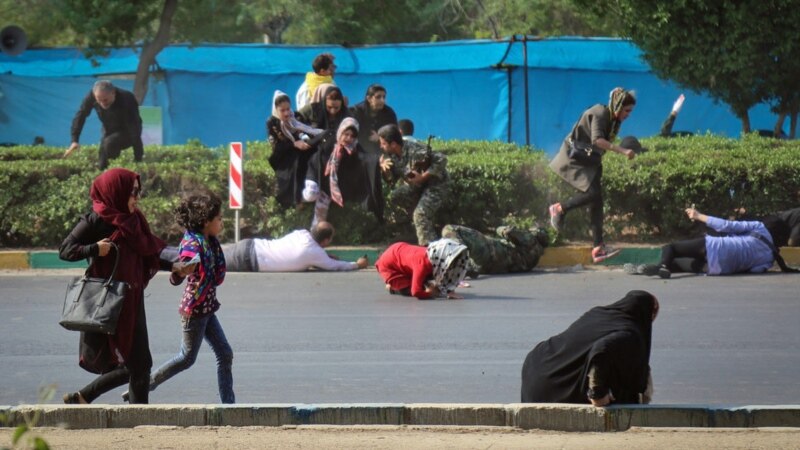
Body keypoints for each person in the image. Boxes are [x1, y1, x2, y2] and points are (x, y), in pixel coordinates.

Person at [58, 168, 189, 404]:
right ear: (116, 192)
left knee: (139, 364)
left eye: (138, 192)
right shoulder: (96, 220)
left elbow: (144, 255)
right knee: (138, 365)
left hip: (131, 299)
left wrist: (173, 266)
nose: (137, 198)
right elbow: (66, 250)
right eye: (133, 193)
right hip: (107, 301)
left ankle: (87, 398)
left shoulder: (134, 220)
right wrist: (95, 249)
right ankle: (134, 416)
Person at [124, 192, 235, 403]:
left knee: (225, 354)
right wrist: (180, 272)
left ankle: (229, 405)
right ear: (205, 222)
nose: (222, 222)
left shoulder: (209, 241)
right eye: (219, 218)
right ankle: (142, 387)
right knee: (186, 358)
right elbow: (179, 272)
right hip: (194, 312)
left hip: (207, 308)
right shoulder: (193, 244)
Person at [521, 290, 658, 406]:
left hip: (538, 370)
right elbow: (601, 349)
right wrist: (597, 394)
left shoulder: (597, 313)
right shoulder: (629, 333)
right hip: (556, 389)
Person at [548, 87, 638, 263]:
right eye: (627, 110)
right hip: (575, 156)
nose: (628, 114)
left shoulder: (612, 118)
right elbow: (598, 140)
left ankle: (598, 248)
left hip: (590, 159)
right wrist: (622, 150)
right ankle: (559, 209)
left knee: (597, 201)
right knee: (593, 194)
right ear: (618, 106)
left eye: (630, 111)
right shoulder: (601, 113)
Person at [628, 207, 798, 279]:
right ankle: (652, 267)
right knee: (677, 264)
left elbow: (726, 225)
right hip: (718, 269)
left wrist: (698, 215)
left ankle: (662, 266)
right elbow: (754, 270)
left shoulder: (759, 227)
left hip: (714, 247)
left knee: (670, 247)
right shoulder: (769, 258)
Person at [303, 117, 383, 226]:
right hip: (315, 172)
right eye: (346, 134)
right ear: (340, 131)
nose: (348, 138)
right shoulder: (329, 136)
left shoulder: (354, 148)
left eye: (352, 136)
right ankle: (299, 199)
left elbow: (366, 158)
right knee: (311, 194)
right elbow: (309, 144)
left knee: (320, 216)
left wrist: (379, 161)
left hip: (328, 186)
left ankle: (316, 235)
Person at [378, 124, 449, 246]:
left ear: (393, 144)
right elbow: (392, 181)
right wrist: (385, 170)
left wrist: (423, 177)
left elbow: (442, 159)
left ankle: (429, 249)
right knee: (396, 196)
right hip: (416, 186)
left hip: (435, 185)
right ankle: (416, 230)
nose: (381, 146)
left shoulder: (415, 149)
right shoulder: (391, 155)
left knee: (420, 214)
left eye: (383, 143)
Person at [202, 221, 369, 272]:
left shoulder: (301, 233)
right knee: (203, 263)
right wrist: (358, 264)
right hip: (248, 260)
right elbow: (337, 266)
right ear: (325, 241)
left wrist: (321, 258)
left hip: (250, 245)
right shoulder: (314, 253)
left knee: (204, 255)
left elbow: (299, 253)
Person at [65, 80, 144, 169]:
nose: (102, 103)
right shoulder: (92, 96)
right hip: (109, 130)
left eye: (105, 100)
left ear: (113, 93)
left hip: (127, 131)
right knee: (102, 164)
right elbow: (81, 115)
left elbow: (134, 126)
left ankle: (116, 170)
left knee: (110, 143)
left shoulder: (127, 98)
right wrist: (74, 140)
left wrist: (138, 157)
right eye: (99, 100)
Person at [267, 90, 325, 208]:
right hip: (283, 154)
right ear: (276, 110)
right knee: (296, 161)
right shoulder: (273, 123)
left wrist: (305, 141)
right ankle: (296, 199)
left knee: (315, 154)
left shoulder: (296, 117)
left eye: (288, 109)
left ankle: (315, 190)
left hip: (301, 148)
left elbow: (306, 130)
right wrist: (294, 144)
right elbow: (277, 147)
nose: (287, 113)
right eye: (282, 110)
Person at [375, 238, 469, 300]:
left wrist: (450, 290)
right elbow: (415, 291)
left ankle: (417, 280)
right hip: (388, 266)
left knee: (425, 278)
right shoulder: (422, 265)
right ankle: (392, 288)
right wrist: (431, 294)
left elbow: (445, 273)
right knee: (411, 288)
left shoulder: (433, 256)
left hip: (400, 253)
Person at [441, 224, 548, 274]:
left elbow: (507, 231)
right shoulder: (534, 260)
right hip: (490, 268)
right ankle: (466, 267)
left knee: (450, 229)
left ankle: (458, 260)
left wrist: (502, 229)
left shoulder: (530, 239)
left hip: (490, 251)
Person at [350, 84, 398, 154]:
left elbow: (395, 134)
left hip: (381, 151)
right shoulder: (357, 111)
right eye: (378, 97)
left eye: (384, 97)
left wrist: (380, 137)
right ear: (369, 98)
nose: (382, 100)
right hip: (358, 150)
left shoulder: (389, 113)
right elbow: (350, 132)